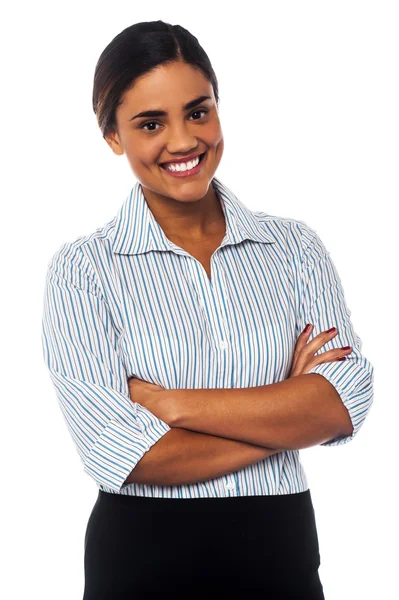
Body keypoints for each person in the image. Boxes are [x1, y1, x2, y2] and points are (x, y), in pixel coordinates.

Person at [41, 20, 374, 599]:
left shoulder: (294, 248)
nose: (183, 141)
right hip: (142, 557)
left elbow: (345, 401)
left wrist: (170, 404)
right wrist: (288, 420)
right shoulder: (84, 270)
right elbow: (119, 451)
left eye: (198, 112)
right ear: (114, 138)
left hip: (280, 547)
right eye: (150, 123)